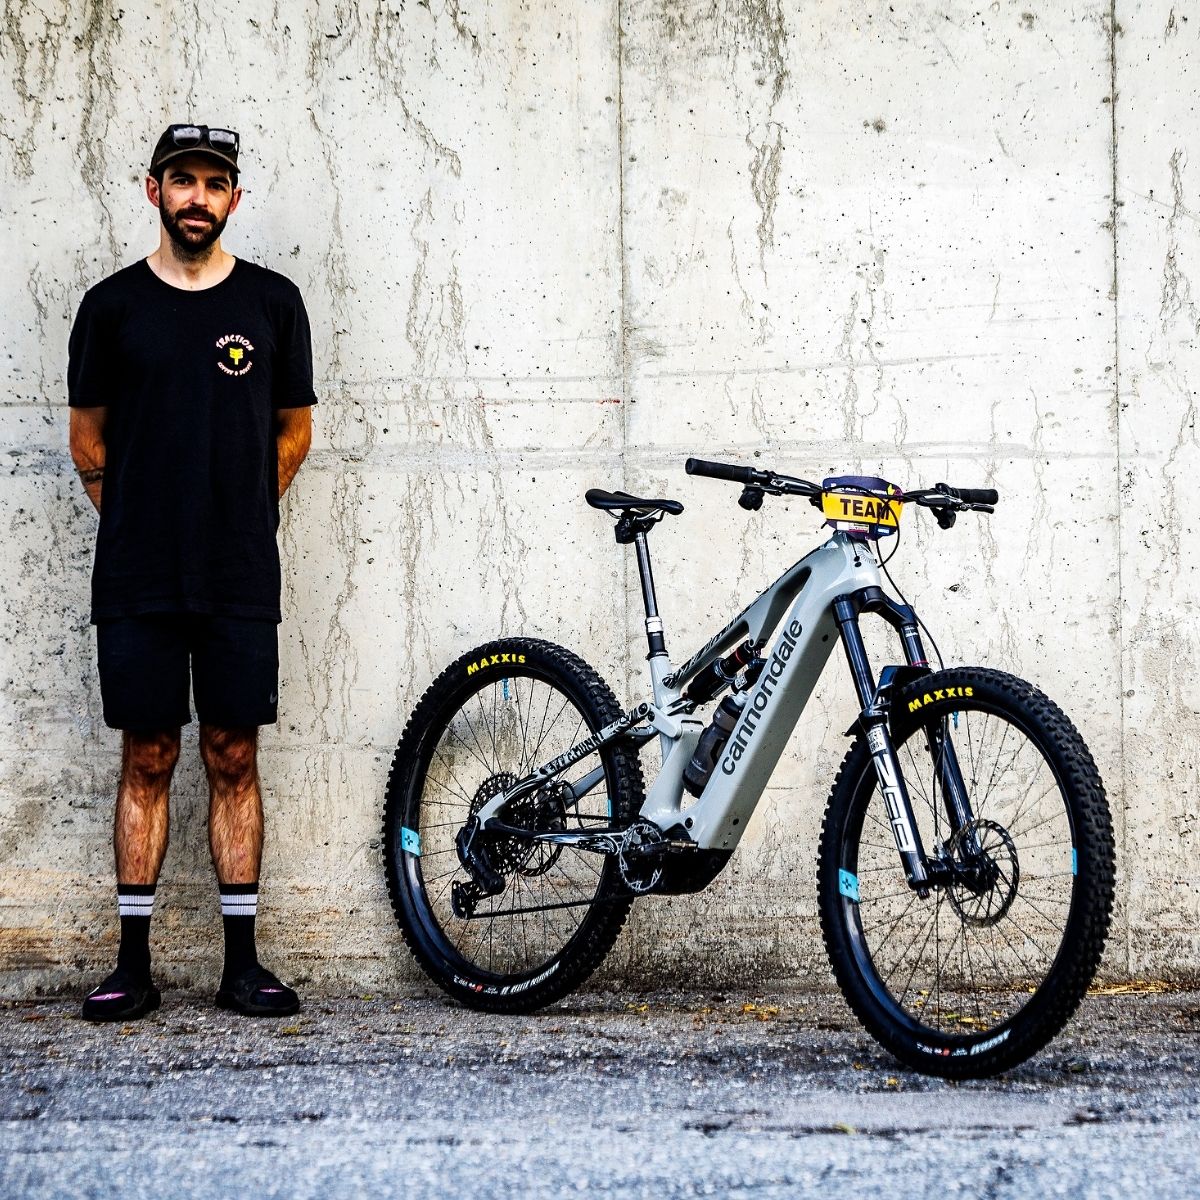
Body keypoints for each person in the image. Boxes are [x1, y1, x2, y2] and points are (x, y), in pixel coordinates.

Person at [67, 124, 316, 1021]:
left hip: (239, 573)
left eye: (214, 184)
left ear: (234, 199)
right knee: (147, 755)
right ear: (154, 190)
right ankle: (131, 965)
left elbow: (294, 431)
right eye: (183, 181)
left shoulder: (273, 304)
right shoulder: (110, 308)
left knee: (232, 753)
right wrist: (141, 521)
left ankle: (242, 965)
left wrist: (241, 510)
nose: (198, 198)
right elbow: (87, 442)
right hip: (137, 576)